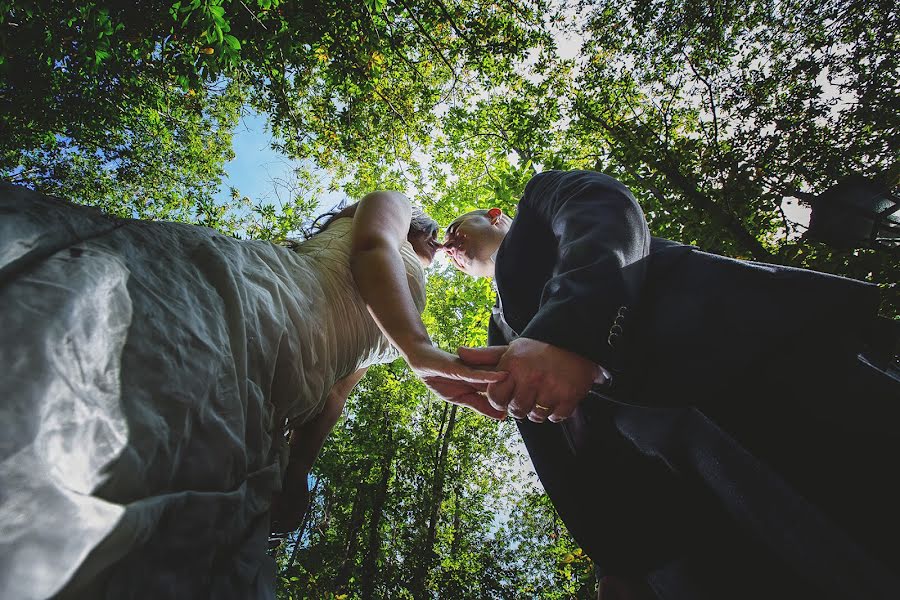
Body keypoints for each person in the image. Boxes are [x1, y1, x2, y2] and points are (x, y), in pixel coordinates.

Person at [0, 184, 504, 600]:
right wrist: (419, 348)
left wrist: (296, 475)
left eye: (462, 245)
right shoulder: (393, 203)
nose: (453, 239)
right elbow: (372, 248)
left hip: (279, 396)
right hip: (268, 299)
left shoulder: (409, 309)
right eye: (452, 226)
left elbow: (336, 394)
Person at [442, 169, 900, 600]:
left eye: (455, 228)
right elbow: (553, 451)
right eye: (445, 249)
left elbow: (605, 205)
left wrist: (569, 332)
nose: (449, 245)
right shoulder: (497, 335)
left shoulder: (542, 200)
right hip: (675, 510)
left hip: (758, 368)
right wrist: (614, 560)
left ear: (495, 216)